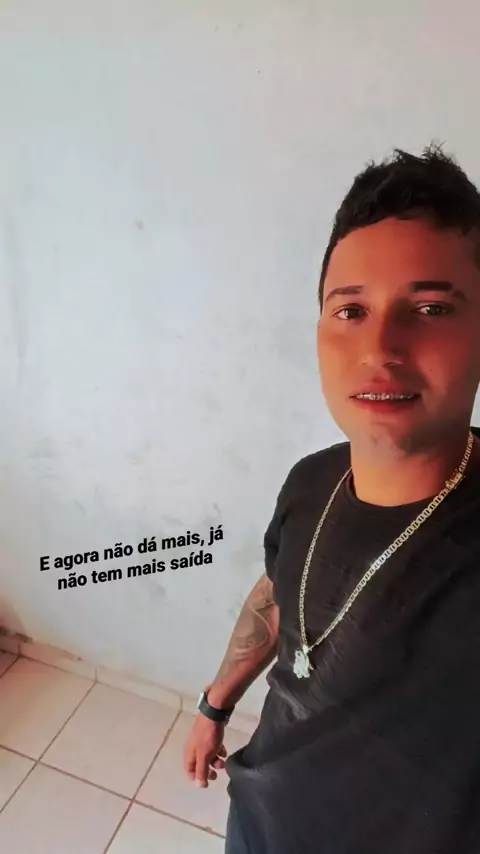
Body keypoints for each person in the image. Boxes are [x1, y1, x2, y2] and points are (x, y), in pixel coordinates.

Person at [183, 145, 480, 854]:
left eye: (430, 307)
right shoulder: (311, 479)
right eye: (351, 309)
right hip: (260, 821)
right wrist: (214, 706)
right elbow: (278, 595)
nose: (381, 348)